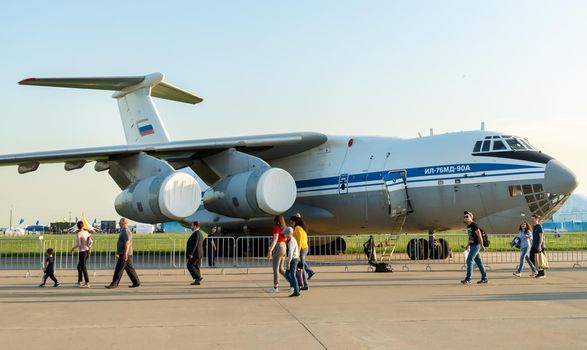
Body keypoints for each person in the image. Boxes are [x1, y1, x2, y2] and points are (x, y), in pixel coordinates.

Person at [105, 218, 140, 289]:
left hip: (125, 253)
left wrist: (125, 254)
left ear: (124, 223)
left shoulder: (126, 231)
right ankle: (136, 282)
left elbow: (127, 243)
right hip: (124, 253)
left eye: (120, 223)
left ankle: (114, 284)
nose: (119, 224)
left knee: (118, 269)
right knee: (130, 269)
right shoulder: (123, 231)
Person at [461, 211, 488, 284]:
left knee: (469, 260)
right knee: (479, 262)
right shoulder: (469, 226)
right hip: (472, 245)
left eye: (467, 216)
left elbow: (479, 236)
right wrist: (468, 245)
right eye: (464, 217)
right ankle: (484, 278)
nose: (465, 218)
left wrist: (482, 246)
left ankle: (468, 279)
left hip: (476, 245)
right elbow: (470, 237)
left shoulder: (474, 225)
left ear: (471, 217)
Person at [290, 216, 314, 290]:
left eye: (291, 222)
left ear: (295, 222)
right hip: (304, 248)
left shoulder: (298, 228)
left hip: (302, 249)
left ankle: (305, 284)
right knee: (300, 267)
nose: (291, 224)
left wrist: (298, 251)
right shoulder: (301, 228)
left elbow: (299, 241)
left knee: (300, 268)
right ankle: (306, 279)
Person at [267, 215, 287, 293]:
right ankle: (292, 282)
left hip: (278, 247)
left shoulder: (276, 228)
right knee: (281, 269)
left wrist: (270, 251)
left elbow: (275, 240)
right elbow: (286, 238)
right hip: (284, 247)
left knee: (275, 268)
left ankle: (275, 287)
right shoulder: (284, 228)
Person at [70, 221, 91, 288]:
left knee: (83, 267)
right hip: (87, 251)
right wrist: (90, 250)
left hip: (82, 252)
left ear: (77, 227)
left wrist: (72, 248)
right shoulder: (87, 232)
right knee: (79, 267)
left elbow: (79, 244)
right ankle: (80, 281)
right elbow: (90, 241)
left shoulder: (79, 234)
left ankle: (87, 282)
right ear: (83, 226)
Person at [283, 227, 300, 297]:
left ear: (289, 234)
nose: (284, 235)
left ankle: (296, 290)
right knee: (287, 274)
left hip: (293, 259)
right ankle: (294, 285)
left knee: (292, 275)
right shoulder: (289, 240)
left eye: (285, 234)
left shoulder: (292, 241)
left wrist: (288, 262)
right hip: (292, 259)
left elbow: (291, 252)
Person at [186, 221, 204, 285]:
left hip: (195, 254)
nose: (191, 227)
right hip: (199, 253)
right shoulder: (200, 233)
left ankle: (198, 277)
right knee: (196, 267)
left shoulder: (196, 234)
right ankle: (197, 281)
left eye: (192, 225)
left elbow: (195, 244)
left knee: (189, 265)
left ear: (195, 226)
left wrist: (191, 253)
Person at [530, 214, 546, 278]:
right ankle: (537, 271)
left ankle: (542, 273)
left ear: (537, 219)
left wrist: (539, 246)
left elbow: (541, 237)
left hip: (539, 246)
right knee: (531, 258)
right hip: (534, 245)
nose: (532, 220)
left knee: (540, 260)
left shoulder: (539, 227)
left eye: (533, 219)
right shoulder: (534, 226)